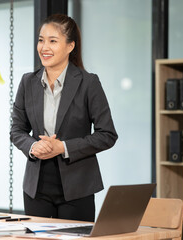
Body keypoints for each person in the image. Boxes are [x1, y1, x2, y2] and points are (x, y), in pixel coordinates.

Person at [10, 14, 118, 222]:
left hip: (78, 187)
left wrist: (64, 147)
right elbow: (17, 130)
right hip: (36, 189)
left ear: (70, 46)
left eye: (53, 41)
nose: (44, 47)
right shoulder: (27, 82)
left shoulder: (88, 83)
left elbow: (107, 134)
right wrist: (32, 146)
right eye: (41, 40)